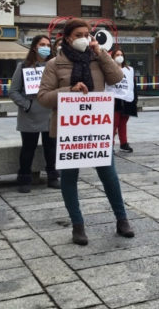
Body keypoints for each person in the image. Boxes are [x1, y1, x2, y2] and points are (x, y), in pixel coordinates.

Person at [37, 18, 134, 246]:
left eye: (87, 34)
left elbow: (117, 77)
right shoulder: (55, 64)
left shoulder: (96, 58)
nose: (85, 38)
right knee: (69, 178)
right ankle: (77, 225)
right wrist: (68, 90)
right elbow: (43, 97)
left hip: (96, 128)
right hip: (68, 130)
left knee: (109, 176)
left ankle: (122, 219)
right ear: (67, 37)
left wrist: (100, 53)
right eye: (79, 34)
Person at [9, 35, 59, 192]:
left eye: (48, 44)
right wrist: (27, 105)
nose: (46, 47)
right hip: (30, 115)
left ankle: (53, 176)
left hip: (50, 113)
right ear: (35, 47)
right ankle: (24, 178)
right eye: (42, 44)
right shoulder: (23, 66)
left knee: (51, 148)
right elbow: (13, 91)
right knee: (28, 148)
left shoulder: (55, 66)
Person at [107, 48, 137, 153]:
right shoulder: (109, 69)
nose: (119, 56)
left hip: (127, 99)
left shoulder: (129, 70)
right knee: (113, 124)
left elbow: (132, 85)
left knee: (123, 123)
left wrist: (134, 99)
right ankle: (110, 145)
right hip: (115, 99)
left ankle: (124, 143)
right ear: (113, 57)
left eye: (121, 54)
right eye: (117, 55)